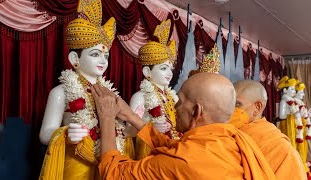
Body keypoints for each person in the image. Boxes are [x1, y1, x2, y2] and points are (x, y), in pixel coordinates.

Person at [92, 72, 276, 179]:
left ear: (196, 111)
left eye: (179, 102)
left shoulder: (183, 162)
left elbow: (114, 173)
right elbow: (175, 148)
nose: (174, 107)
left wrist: (107, 118)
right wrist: (131, 116)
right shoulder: (233, 140)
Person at [39, 0, 133, 179]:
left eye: (105, 55)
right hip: (75, 164)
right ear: (75, 58)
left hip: (106, 164)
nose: (103, 61)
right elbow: (45, 134)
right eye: (95, 54)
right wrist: (66, 133)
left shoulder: (110, 95)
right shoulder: (61, 92)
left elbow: (119, 130)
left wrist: (131, 131)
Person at [229, 79, 306, 179]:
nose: (230, 110)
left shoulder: (279, 146)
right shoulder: (225, 131)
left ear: (257, 107)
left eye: (237, 104)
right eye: (229, 104)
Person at [128, 19, 180, 159]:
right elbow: (128, 131)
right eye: (163, 68)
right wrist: (151, 128)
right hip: (149, 152)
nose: (169, 73)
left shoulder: (172, 97)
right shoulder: (140, 97)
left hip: (172, 149)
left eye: (170, 68)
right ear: (147, 72)